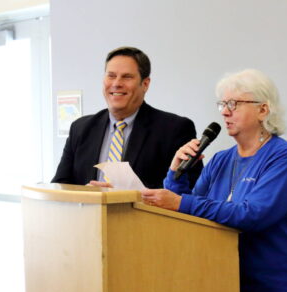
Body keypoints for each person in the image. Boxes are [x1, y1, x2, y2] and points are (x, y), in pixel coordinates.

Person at [141, 69, 287, 292]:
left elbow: (251, 216)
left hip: (282, 291)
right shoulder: (220, 160)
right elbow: (190, 219)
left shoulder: (285, 158)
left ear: (263, 109)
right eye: (222, 104)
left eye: (234, 104)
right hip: (227, 284)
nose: (225, 112)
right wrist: (176, 173)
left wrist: (180, 202)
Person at [52, 46, 201, 188]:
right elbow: (60, 185)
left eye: (127, 77)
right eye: (111, 76)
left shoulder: (175, 129)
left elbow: (190, 190)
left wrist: (129, 196)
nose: (117, 84)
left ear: (145, 84)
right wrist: (86, 194)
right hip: (88, 214)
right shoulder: (80, 128)